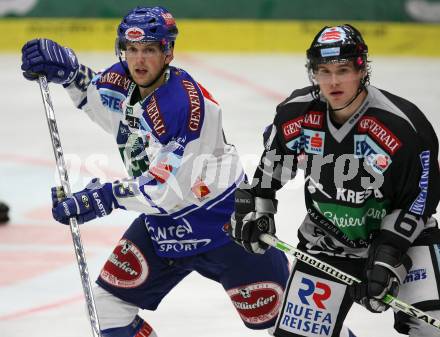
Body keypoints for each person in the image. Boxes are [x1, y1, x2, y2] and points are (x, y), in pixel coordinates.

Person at [20, 6, 293, 337]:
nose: (138, 60)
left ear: (168, 52)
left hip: (224, 225)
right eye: (131, 49)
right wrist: (71, 75)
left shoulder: (185, 107)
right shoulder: (122, 78)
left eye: (149, 49)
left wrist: (102, 198)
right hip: (164, 228)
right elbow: (102, 107)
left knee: (290, 328)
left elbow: (166, 191)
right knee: (108, 308)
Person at [228, 24, 440, 337]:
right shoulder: (296, 115)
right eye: (323, 71)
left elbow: (419, 200)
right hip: (327, 242)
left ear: (361, 69)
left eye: (343, 70)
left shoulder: (403, 125)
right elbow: (273, 170)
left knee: (430, 325)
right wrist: (256, 206)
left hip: (404, 240)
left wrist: (389, 253)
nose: (334, 81)